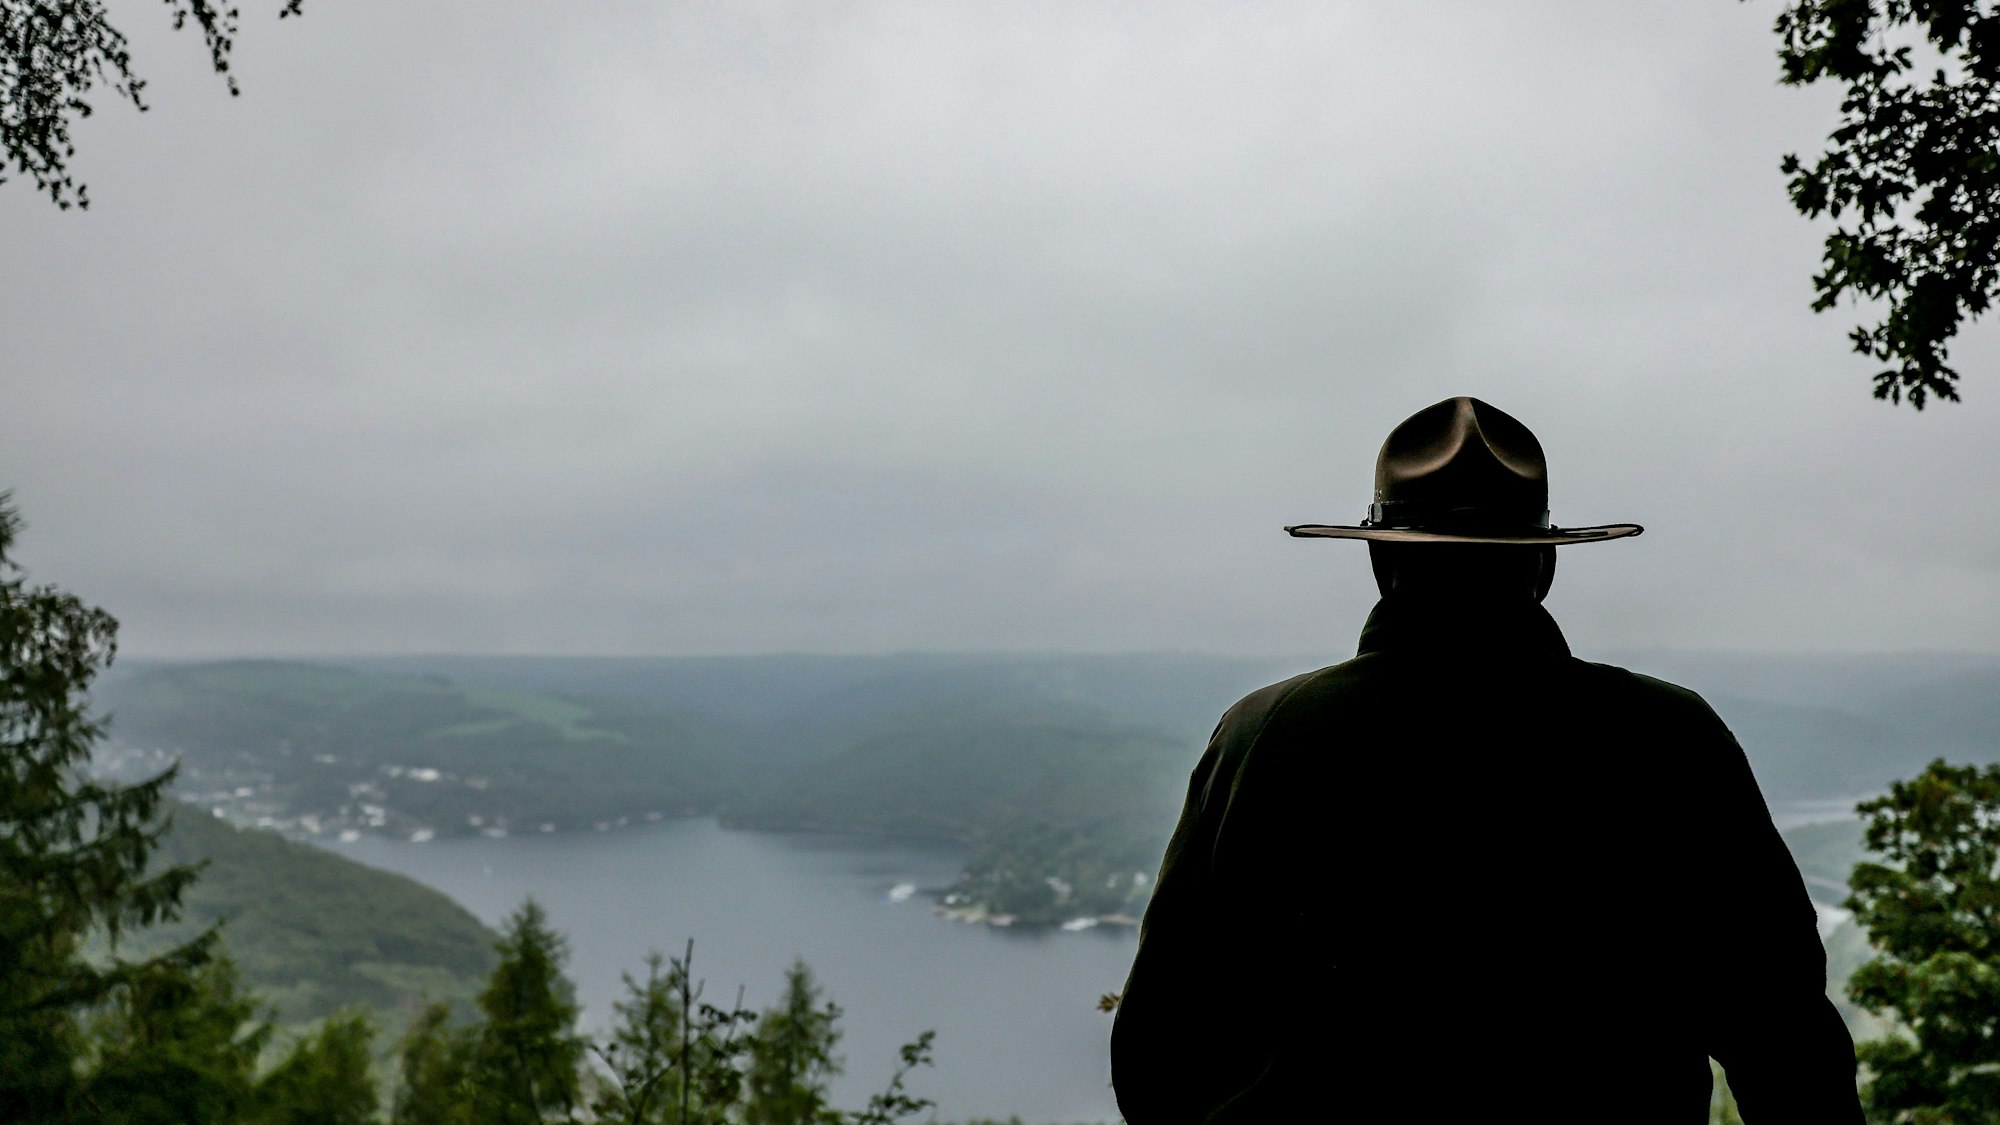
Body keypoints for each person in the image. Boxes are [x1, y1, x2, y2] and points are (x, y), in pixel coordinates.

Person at [1108, 397, 1862, 1123]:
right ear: (1543, 563)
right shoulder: (1669, 736)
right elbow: (1784, 1036)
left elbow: (1160, 1045)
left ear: (1381, 557)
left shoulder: (1264, 735)